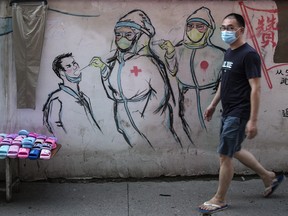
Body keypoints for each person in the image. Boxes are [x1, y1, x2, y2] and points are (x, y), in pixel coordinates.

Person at [198, 13, 285, 214]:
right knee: (234, 149)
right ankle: (269, 176)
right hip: (228, 111)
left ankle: (219, 198)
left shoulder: (249, 55)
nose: (225, 31)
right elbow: (224, 82)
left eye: (230, 27)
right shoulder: (230, 53)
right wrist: (212, 104)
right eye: (223, 27)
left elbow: (256, 89)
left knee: (224, 155)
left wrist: (252, 121)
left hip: (239, 112)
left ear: (241, 30)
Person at [90, 9, 182, 148]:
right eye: (118, 34)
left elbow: (161, 95)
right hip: (125, 121)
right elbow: (113, 94)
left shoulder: (149, 62)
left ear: (139, 36)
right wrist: (104, 70)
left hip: (150, 122)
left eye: (128, 34)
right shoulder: (115, 63)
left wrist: (145, 114)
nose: (122, 38)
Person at [160, 7, 225, 144]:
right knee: (190, 134)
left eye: (199, 26)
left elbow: (225, 81)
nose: (193, 30)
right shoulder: (179, 49)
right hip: (187, 101)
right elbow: (172, 71)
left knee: (213, 133)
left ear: (208, 30)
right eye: (190, 26)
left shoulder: (218, 54)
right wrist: (170, 53)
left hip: (211, 100)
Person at [43, 53, 102, 135]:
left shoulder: (84, 97)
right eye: (69, 66)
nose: (75, 67)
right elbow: (55, 127)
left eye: (74, 63)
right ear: (62, 73)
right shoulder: (57, 99)